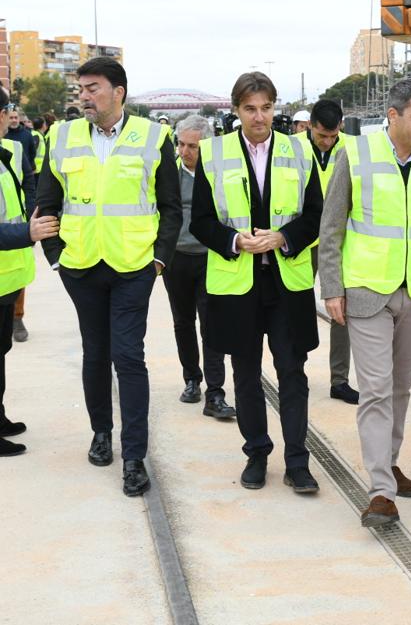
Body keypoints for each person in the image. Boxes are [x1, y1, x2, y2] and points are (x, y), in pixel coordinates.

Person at [37, 57, 182, 497]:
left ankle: (133, 455)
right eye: (81, 88)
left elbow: (171, 207)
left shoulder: (154, 137)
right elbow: (46, 202)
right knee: (95, 353)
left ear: (118, 91)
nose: (84, 95)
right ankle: (101, 431)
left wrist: (158, 261)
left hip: (133, 267)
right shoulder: (61, 136)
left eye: (93, 87)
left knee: (128, 356)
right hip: (80, 267)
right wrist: (56, 256)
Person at [319, 79, 411, 527]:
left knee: (401, 388)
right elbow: (332, 226)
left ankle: (390, 463)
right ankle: (380, 491)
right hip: (366, 292)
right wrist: (332, 288)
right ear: (394, 115)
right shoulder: (356, 154)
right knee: (376, 389)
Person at [190, 71, 323, 494]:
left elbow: (316, 215)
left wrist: (284, 237)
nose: (259, 116)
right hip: (237, 283)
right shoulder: (213, 154)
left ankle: (297, 461)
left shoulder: (299, 151)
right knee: (245, 373)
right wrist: (234, 240)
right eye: (250, 108)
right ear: (236, 111)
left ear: (275, 108)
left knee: (292, 373)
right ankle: (257, 452)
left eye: (266, 107)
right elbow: (201, 222)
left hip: (286, 283)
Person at [164, 114, 236, 419]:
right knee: (183, 322)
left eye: (192, 145)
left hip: (211, 258)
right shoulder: (168, 176)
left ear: (207, 144)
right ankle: (191, 379)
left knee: (213, 325)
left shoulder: (219, 175)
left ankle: (215, 392)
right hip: (177, 259)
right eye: (181, 144)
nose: (185, 151)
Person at [0, 87, 59, 457]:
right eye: (6, 109)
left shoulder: (7, 153)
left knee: (1, 350)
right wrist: (27, 232)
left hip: (6, 276)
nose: (10, 116)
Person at [296, 99, 359, 405]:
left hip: (337, 242)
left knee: (340, 310)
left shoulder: (353, 148)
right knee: (294, 308)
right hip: (299, 243)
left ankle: (340, 380)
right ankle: (295, 372)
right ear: (310, 126)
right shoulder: (292, 148)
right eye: (322, 135)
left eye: (333, 136)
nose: (327, 141)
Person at [5, 106, 37, 343]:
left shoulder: (16, 145)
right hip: (12, 234)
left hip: (15, 234)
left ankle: (18, 317)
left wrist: (30, 214)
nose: (12, 120)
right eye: (9, 115)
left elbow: (29, 181)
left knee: (16, 281)